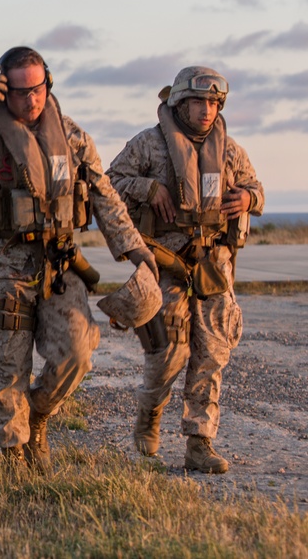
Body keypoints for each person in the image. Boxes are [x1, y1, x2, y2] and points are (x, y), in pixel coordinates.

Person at [0, 47, 156, 471]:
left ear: (47, 84)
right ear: (2, 89)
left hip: (59, 265)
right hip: (4, 267)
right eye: (20, 92)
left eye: (39, 89)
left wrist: (134, 248)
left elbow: (105, 196)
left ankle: (40, 414)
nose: (32, 100)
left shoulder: (71, 136)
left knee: (78, 353)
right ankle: (15, 456)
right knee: (10, 366)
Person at [106, 66, 263, 474]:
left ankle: (199, 442)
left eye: (213, 103)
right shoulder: (148, 145)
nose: (207, 110)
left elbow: (257, 189)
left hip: (213, 269)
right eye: (198, 102)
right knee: (170, 354)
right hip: (166, 264)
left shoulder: (229, 150)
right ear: (178, 102)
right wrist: (148, 188)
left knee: (212, 354)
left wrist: (247, 198)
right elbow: (108, 183)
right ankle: (150, 413)